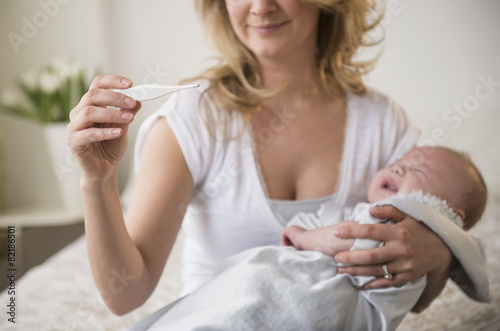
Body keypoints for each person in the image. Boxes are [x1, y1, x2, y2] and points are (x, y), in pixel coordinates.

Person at [66, 0, 460, 317]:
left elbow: (419, 298)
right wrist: (97, 181)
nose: (260, 6)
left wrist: (439, 250)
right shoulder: (192, 120)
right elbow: (125, 296)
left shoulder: (382, 124)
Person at [128, 146, 489, 330]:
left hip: (298, 307)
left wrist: (310, 237)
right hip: (261, 278)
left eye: (418, 171)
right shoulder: (350, 211)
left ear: (445, 213)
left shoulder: (405, 249)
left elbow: (353, 249)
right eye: (401, 161)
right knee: (217, 302)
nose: (398, 168)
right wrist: (305, 234)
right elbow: (302, 230)